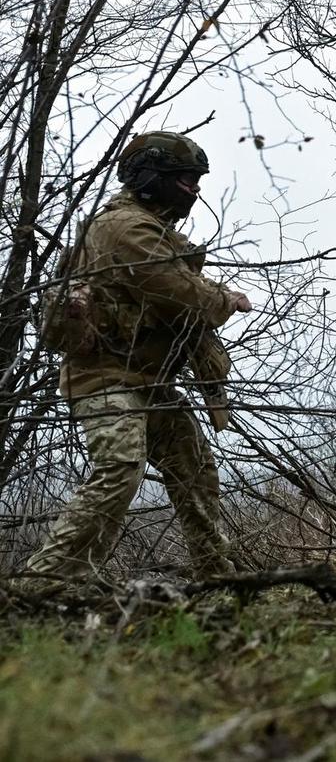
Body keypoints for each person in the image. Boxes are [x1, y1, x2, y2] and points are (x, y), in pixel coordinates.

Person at [27, 131, 252, 581]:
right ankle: (44, 582)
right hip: (106, 379)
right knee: (120, 471)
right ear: (151, 177)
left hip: (149, 382)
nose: (194, 189)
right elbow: (182, 293)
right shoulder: (125, 228)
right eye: (185, 179)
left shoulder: (151, 227)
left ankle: (218, 578)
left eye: (195, 180)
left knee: (194, 471)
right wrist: (224, 298)